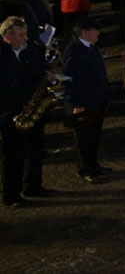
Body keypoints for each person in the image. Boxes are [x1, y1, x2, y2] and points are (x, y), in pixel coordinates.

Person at [1, 17, 55, 207]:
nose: (25, 39)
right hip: (11, 113)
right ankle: (11, 195)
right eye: (21, 35)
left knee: (35, 149)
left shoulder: (27, 52)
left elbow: (35, 73)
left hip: (31, 109)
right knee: (14, 156)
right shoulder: (3, 56)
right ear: (8, 36)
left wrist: (46, 77)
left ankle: (33, 185)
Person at [62, 16, 111, 183]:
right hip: (84, 102)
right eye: (95, 30)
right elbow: (70, 81)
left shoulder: (90, 46)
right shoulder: (74, 52)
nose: (98, 33)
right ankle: (85, 169)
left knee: (94, 136)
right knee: (84, 139)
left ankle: (93, 165)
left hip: (95, 100)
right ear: (85, 33)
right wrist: (77, 104)